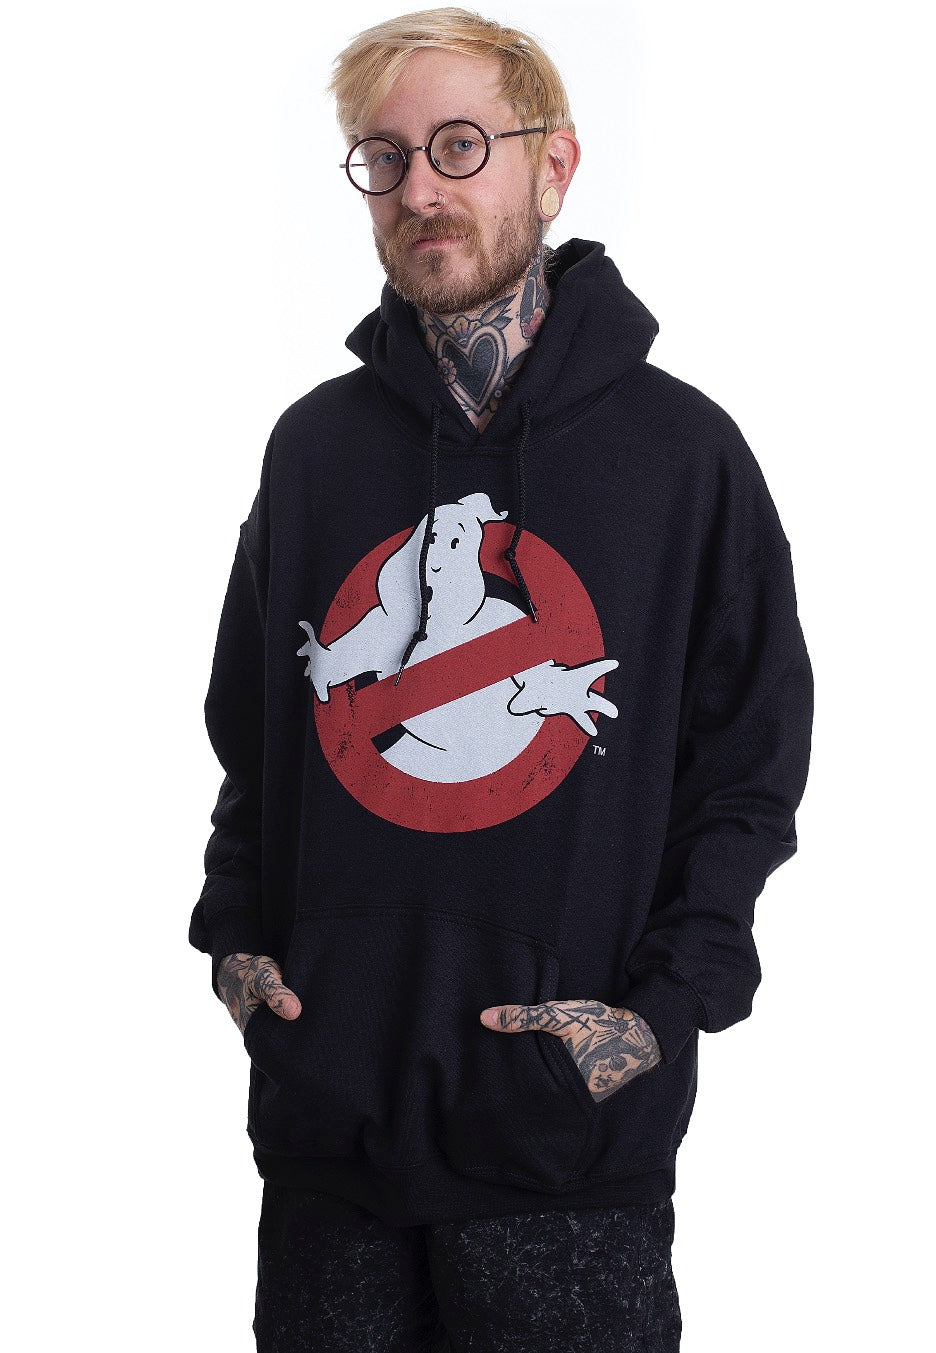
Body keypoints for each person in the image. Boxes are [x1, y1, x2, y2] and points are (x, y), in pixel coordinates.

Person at [188, 8, 814, 1350]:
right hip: (327, 1145)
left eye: (461, 145)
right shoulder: (313, 450)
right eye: (386, 156)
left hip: (569, 1159)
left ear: (555, 164)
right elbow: (258, 739)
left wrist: (651, 1020)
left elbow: (749, 775)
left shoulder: (683, 457)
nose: (420, 187)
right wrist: (238, 950)